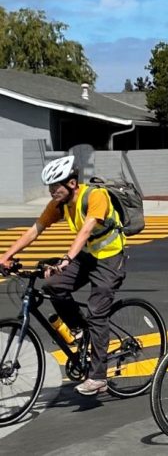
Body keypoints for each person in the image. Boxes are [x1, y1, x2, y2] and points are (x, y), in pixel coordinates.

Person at [0, 155, 127, 396]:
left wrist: (66, 259)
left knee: (97, 313)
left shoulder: (95, 196)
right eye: (49, 187)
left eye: (55, 186)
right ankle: (80, 330)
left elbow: (87, 229)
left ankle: (98, 377)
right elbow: (34, 231)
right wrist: (5, 256)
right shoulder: (59, 205)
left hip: (110, 258)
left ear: (71, 183)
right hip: (87, 255)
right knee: (52, 286)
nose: (51, 191)